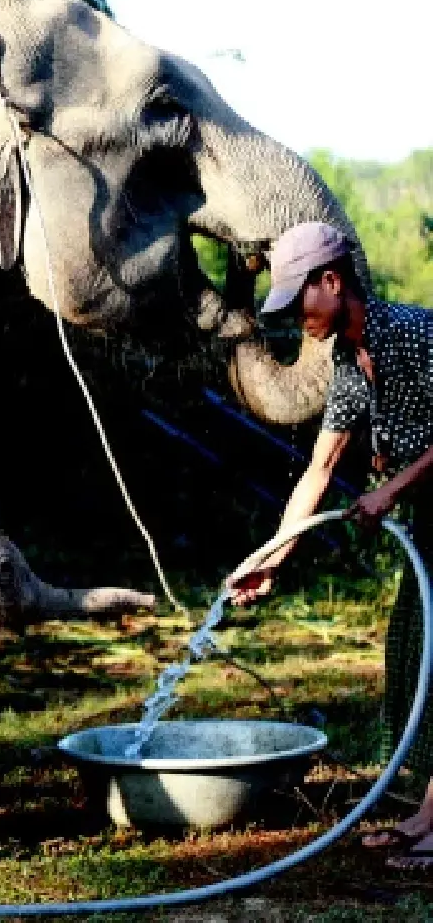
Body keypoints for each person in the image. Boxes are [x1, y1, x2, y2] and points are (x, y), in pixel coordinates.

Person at [227, 221, 433, 869]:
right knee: (411, 658)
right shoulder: (350, 359)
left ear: (332, 281)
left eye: (299, 302)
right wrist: (271, 558)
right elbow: (320, 469)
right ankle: (427, 816)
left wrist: (389, 491)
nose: (297, 319)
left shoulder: (411, 332)